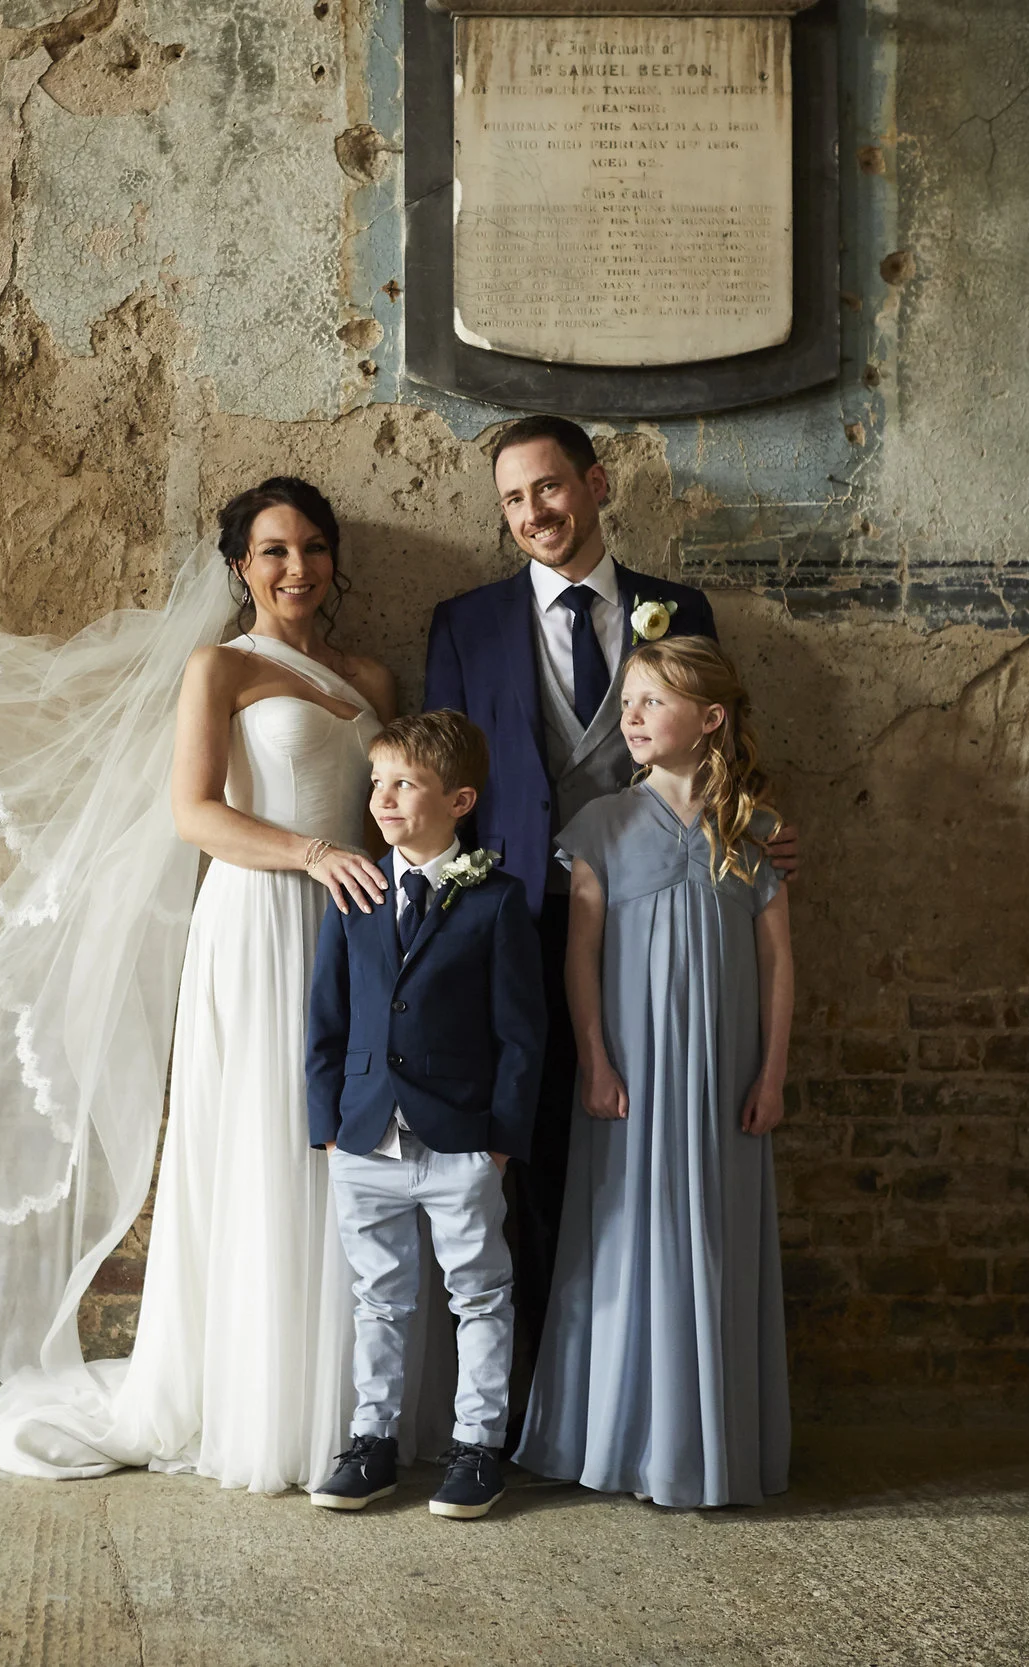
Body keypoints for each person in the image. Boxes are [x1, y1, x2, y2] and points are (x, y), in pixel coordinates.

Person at [0, 476, 399, 1493]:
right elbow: (193, 812)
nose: (298, 568)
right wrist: (304, 852)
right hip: (258, 919)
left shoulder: (374, 673)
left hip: (357, 924)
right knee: (266, 1140)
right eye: (274, 551)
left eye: (314, 548)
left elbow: (389, 805)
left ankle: (351, 1396)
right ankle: (262, 1402)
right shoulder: (223, 666)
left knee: (352, 1145)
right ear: (240, 566)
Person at [421, 414, 793, 1392]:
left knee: (644, 1149)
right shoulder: (464, 625)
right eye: (512, 498)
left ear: (593, 484)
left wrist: (753, 821)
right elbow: (442, 783)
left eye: (547, 487)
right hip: (513, 922)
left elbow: (714, 746)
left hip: (657, 925)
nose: (533, 511)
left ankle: (646, 1384)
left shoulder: (677, 605)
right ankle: (531, 1396)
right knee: (521, 1151)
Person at [515, 635, 794, 1508]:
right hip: (631, 1076)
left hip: (722, 1078)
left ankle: (708, 1447)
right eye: (627, 701)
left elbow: (780, 963)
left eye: (650, 702)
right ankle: (624, 1441)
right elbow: (581, 957)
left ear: (709, 719)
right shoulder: (600, 825)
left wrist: (773, 1073)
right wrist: (594, 1060)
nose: (630, 717)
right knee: (627, 1239)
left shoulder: (754, 832)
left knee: (713, 1237)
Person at [303, 713, 545, 1519]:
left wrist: (501, 1143)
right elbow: (325, 1020)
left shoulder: (498, 899)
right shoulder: (353, 894)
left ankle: (478, 1447)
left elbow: (522, 1033)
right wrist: (327, 1124)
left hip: (462, 1140)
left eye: (404, 782)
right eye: (377, 782)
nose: (383, 796)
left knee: (479, 1293)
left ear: (459, 798)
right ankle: (370, 1443)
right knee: (378, 1296)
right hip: (365, 1133)